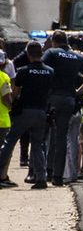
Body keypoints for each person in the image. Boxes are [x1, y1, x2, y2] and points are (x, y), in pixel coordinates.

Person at [39, 32, 83, 187]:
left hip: (52, 98)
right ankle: (58, 176)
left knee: (45, 136)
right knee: (62, 137)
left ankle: (45, 172)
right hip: (69, 100)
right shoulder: (77, 57)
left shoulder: (51, 53)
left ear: (55, 42)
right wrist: (78, 92)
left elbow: (42, 69)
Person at [0, 42, 52, 188]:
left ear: (28, 55)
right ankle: (41, 178)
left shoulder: (23, 71)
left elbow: (15, 93)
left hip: (24, 111)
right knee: (37, 145)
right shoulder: (50, 71)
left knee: (9, 142)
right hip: (41, 111)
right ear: (41, 53)